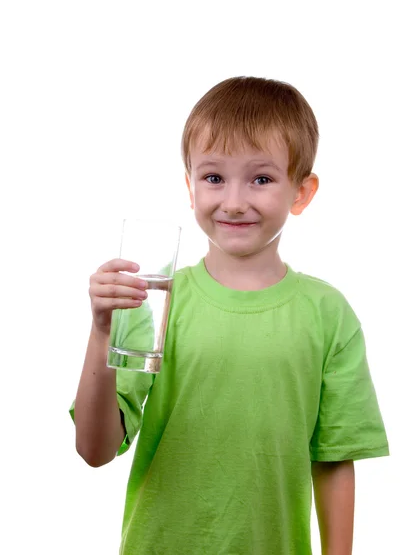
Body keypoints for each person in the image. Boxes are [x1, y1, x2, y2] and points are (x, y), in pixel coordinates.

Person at [70, 76, 389, 554]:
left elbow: (334, 457)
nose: (235, 201)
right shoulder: (154, 301)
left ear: (301, 192)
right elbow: (94, 451)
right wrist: (100, 332)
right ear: (190, 186)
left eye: (261, 178)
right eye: (214, 177)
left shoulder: (328, 314)